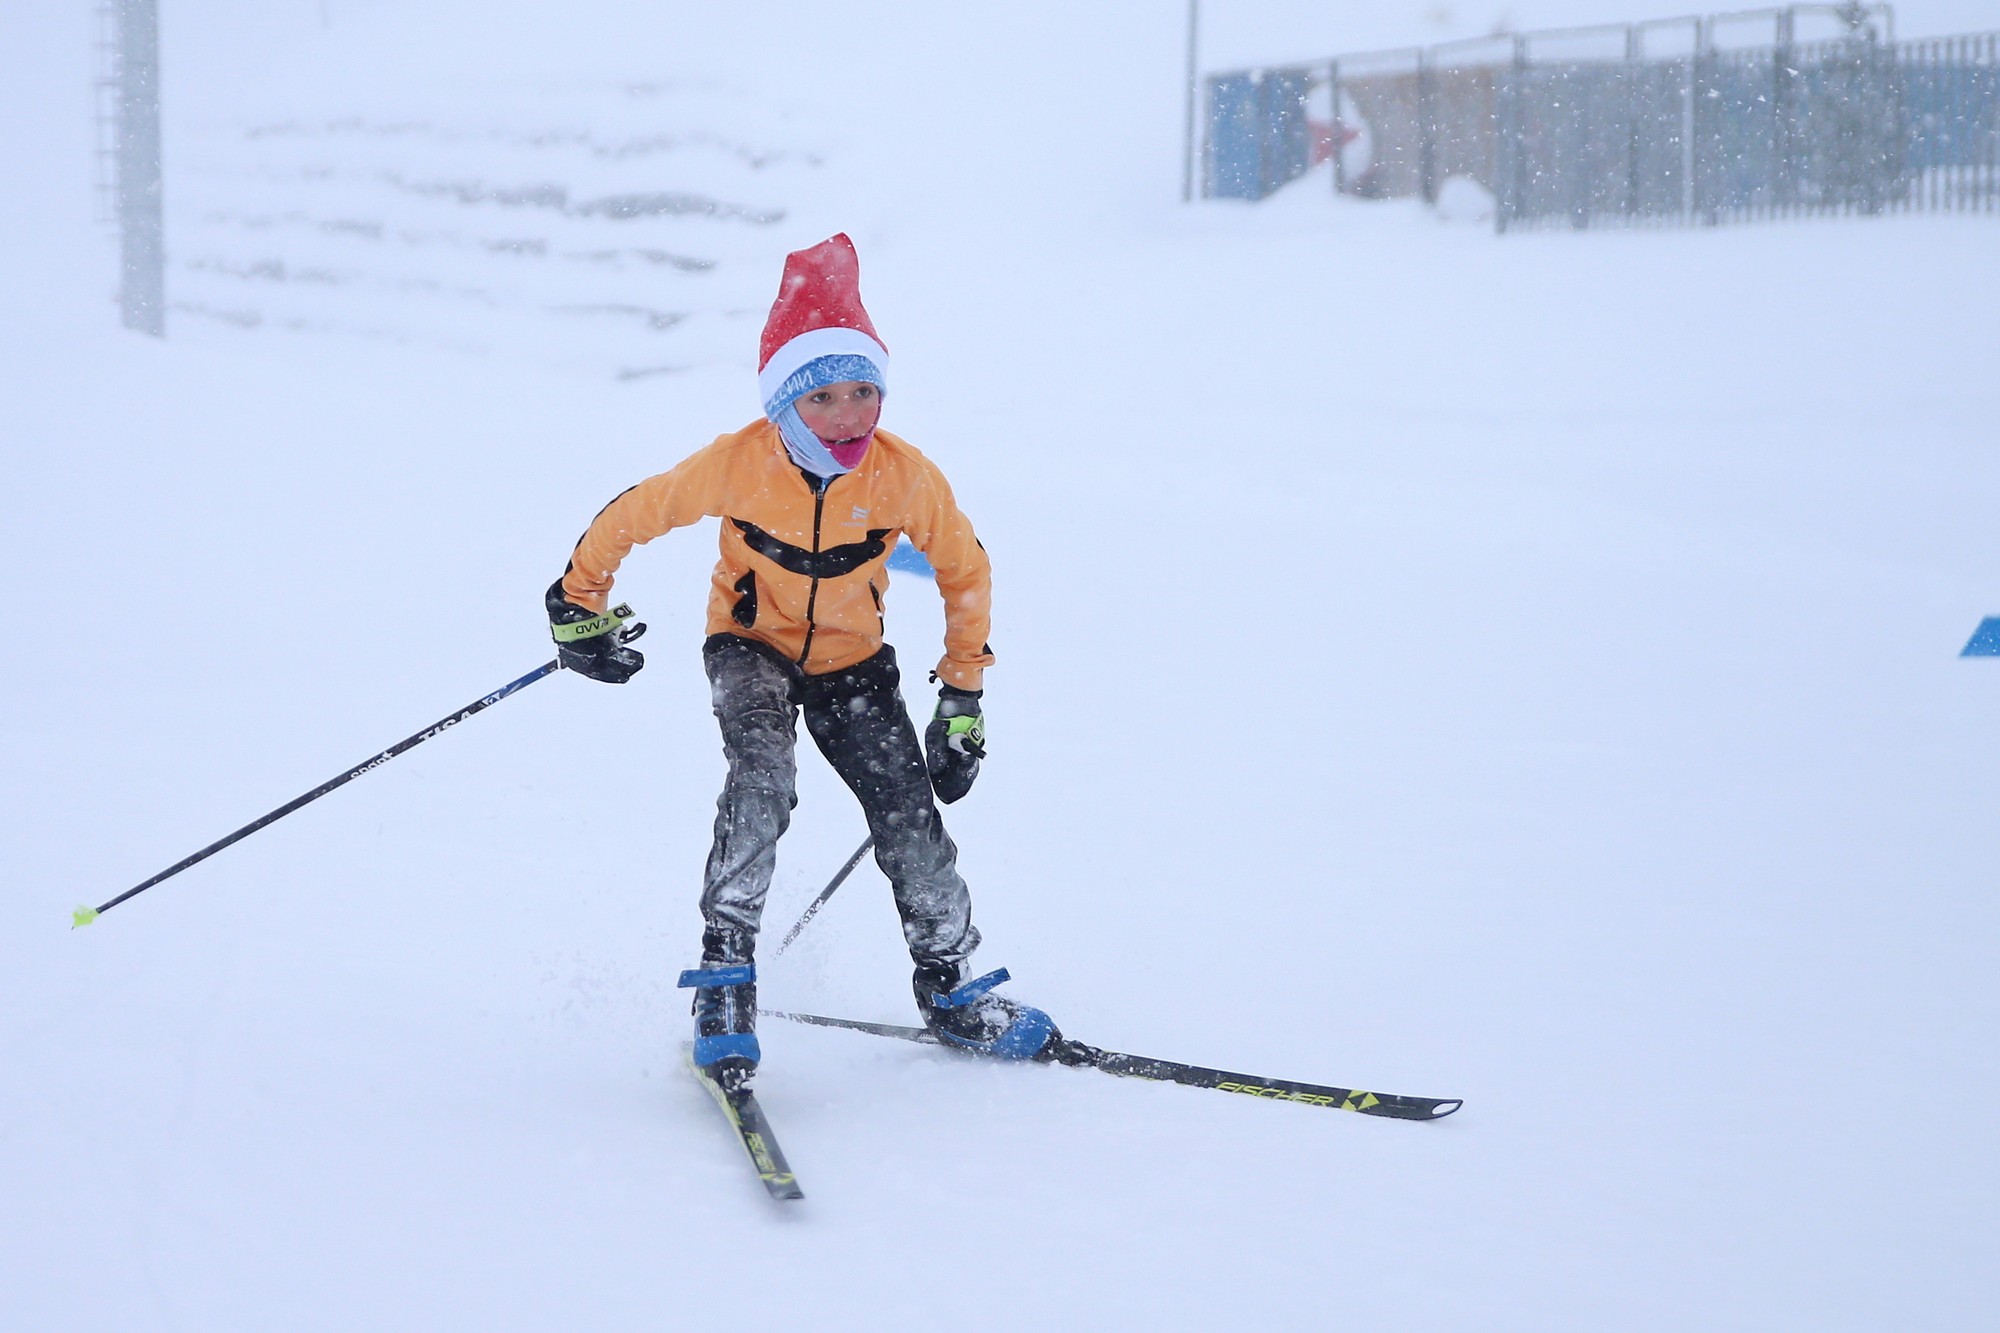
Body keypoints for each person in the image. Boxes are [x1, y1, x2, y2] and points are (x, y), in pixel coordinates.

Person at [546, 234, 1067, 1090]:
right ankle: (724, 979)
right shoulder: (736, 464)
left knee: (909, 816)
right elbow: (634, 514)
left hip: (854, 662)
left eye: (865, 391)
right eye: (823, 397)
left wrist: (962, 695)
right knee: (763, 782)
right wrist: (578, 601)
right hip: (751, 645)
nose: (850, 413)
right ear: (785, 404)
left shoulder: (905, 478)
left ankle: (953, 987)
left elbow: (965, 570)